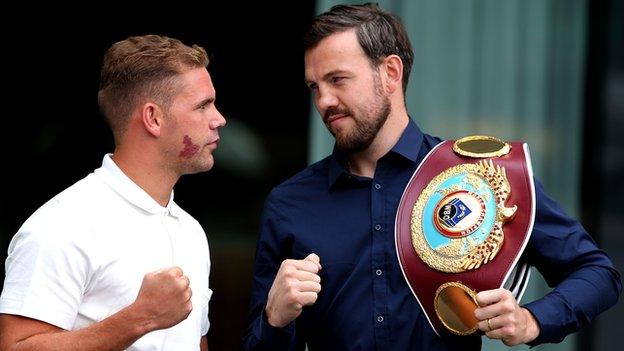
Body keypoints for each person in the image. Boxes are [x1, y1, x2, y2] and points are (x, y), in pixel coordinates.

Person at [243, 4, 621, 351]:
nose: (323, 101)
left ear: (390, 72)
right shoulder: (289, 204)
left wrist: (532, 320)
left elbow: (598, 274)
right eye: (314, 87)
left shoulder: (481, 175)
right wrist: (274, 320)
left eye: (338, 79)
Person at [0, 34, 226, 351]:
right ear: (153, 118)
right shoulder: (61, 226)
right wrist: (140, 318)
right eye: (203, 105)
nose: (219, 119)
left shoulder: (190, 230)